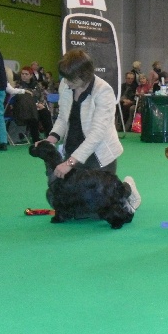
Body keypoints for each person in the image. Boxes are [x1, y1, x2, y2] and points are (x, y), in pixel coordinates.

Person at [44, 49, 141, 213]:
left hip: (99, 154)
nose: (66, 83)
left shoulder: (103, 91)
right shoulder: (65, 84)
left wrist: (69, 163)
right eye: (65, 79)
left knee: (98, 210)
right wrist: (50, 139)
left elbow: (97, 134)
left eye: (71, 79)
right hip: (73, 151)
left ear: (84, 75)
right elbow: (62, 118)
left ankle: (127, 189)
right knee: (59, 201)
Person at [12, 66, 54, 143]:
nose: (24, 75)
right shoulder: (17, 85)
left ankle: (49, 136)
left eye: (26, 74)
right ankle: (35, 138)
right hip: (23, 109)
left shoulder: (37, 85)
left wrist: (41, 104)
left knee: (46, 112)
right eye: (22, 74)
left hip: (36, 106)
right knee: (33, 114)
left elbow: (42, 96)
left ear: (31, 75)